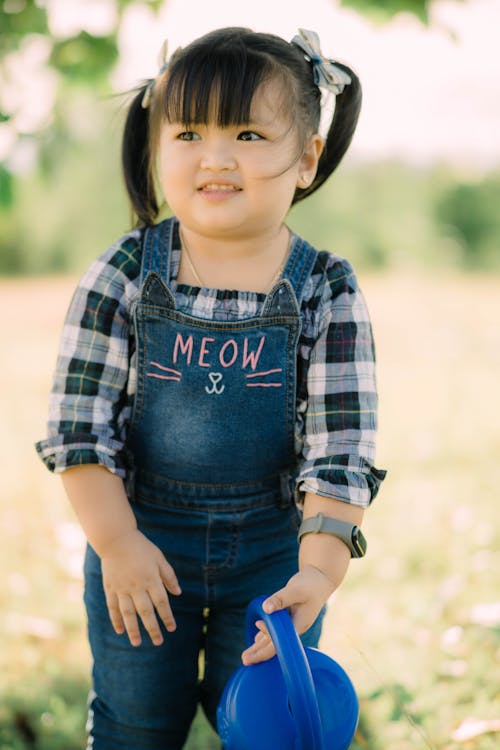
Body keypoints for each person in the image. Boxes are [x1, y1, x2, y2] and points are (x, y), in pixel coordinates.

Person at [36, 26, 386, 750]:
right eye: (189, 130)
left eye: (251, 134)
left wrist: (318, 573)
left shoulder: (326, 289)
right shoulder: (126, 272)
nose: (216, 156)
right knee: (136, 723)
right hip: (141, 540)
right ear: (158, 144)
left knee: (271, 727)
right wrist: (117, 541)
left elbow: (341, 445)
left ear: (307, 158)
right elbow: (79, 428)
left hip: (274, 552)